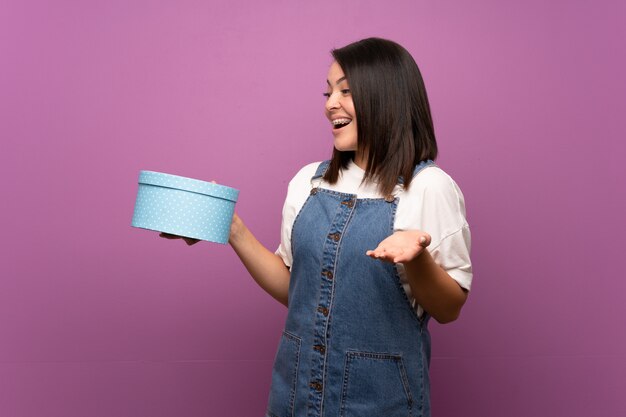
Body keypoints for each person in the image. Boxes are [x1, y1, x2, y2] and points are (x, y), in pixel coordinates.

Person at [162, 37, 471, 417]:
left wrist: (417, 257)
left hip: (381, 404)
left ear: (386, 96)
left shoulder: (428, 187)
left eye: (346, 91)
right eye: (328, 93)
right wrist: (232, 228)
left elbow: (449, 308)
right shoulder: (309, 182)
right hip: (294, 399)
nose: (330, 105)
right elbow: (299, 290)